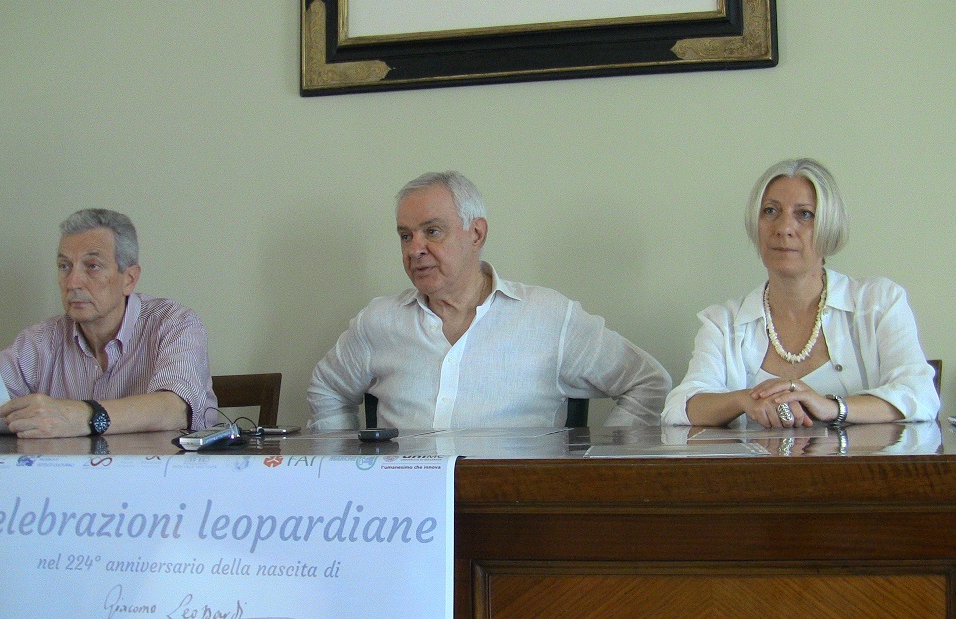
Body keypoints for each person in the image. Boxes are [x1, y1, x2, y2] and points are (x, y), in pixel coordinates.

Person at [308, 171, 671, 430]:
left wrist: (600, 467)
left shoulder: (546, 316)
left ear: (477, 233)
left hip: (515, 504)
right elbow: (326, 388)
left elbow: (647, 382)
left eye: (432, 231)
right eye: (405, 236)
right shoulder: (379, 320)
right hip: (408, 507)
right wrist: (347, 465)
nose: (415, 249)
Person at [0, 209, 218, 437]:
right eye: (64, 266)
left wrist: (80, 416)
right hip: (65, 495)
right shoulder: (39, 341)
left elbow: (175, 408)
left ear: (129, 279)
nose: (73, 282)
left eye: (92, 266)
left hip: (161, 490)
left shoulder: (174, 324)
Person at [663, 159, 939, 428]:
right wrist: (743, 400)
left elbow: (920, 395)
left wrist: (831, 407)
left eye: (805, 214)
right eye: (770, 211)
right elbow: (679, 409)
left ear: (829, 226)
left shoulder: (879, 302)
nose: (783, 228)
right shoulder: (723, 323)